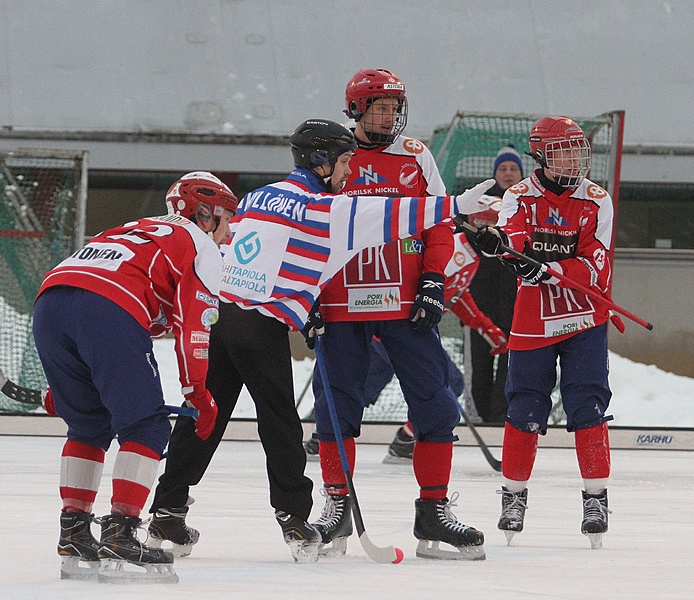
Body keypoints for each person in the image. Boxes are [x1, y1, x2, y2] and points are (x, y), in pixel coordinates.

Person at [146, 118, 495, 564]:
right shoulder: (323, 209)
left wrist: (306, 299)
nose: (352, 173)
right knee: (280, 425)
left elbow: (255, 249)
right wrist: (454, 207)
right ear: (323, 161)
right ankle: (296, 521)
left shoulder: (258, 196)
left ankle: (166, 511)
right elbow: (390, 216)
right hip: (260, 323)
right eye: (346, 162)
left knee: (205, 415)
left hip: (220, 316)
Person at [310, 69, 486, 562]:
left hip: (403, 303)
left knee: (435, 401)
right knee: (336, 407)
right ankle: (336, 507)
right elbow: (309, 226)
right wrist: (307, 295)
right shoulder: (334, 152)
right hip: (343, 302)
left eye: (394, 107)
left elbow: (439, 219)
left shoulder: (415, 156)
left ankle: (433, 510)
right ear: (356, 109)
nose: (390, 116)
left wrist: (433, 279)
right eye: (380, 107)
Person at [32, 172, 235, 582]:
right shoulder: (199, 245)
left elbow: (84, 294)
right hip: (107, 308)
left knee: (88, 423)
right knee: (146, 424)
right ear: (205, 214)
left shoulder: (129, 228)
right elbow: (192, 327)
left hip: (50, 302)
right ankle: (121, 532)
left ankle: (73, 530)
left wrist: (69, 385)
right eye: (227, 218)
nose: (229, 232)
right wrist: (197, 391)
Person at [473, 116, 616, 550]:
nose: (574, 160)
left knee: (587, 404)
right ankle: (513, 497)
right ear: (541, 155)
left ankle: (596, 499)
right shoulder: (518, 196)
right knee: (525, 406)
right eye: (564, 151)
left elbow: (598, 266)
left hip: (584, 318)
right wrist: (503, 244)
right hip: (534, 319)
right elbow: (514, 237)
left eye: (578, 151)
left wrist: (550, 269)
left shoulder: (597, 200)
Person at [303, 228, 508, 463]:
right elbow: (428, 284)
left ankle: (334, 437)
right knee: (444, 382)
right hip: (399, 324)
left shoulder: (470, 256)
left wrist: (486, 329)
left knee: (373, 384)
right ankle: (340, 438)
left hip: (401, 325)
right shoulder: (458, 248)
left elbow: (456, 294)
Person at [462, 145, 522, 423]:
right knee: (481, 357)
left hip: (515, 294)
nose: (508, 174)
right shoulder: (479, 203)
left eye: (513, 169)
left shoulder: (526, 203)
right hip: (481, 293)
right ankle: (480, 414)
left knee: (512, 357)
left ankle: (502, 414)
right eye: (503, 169)